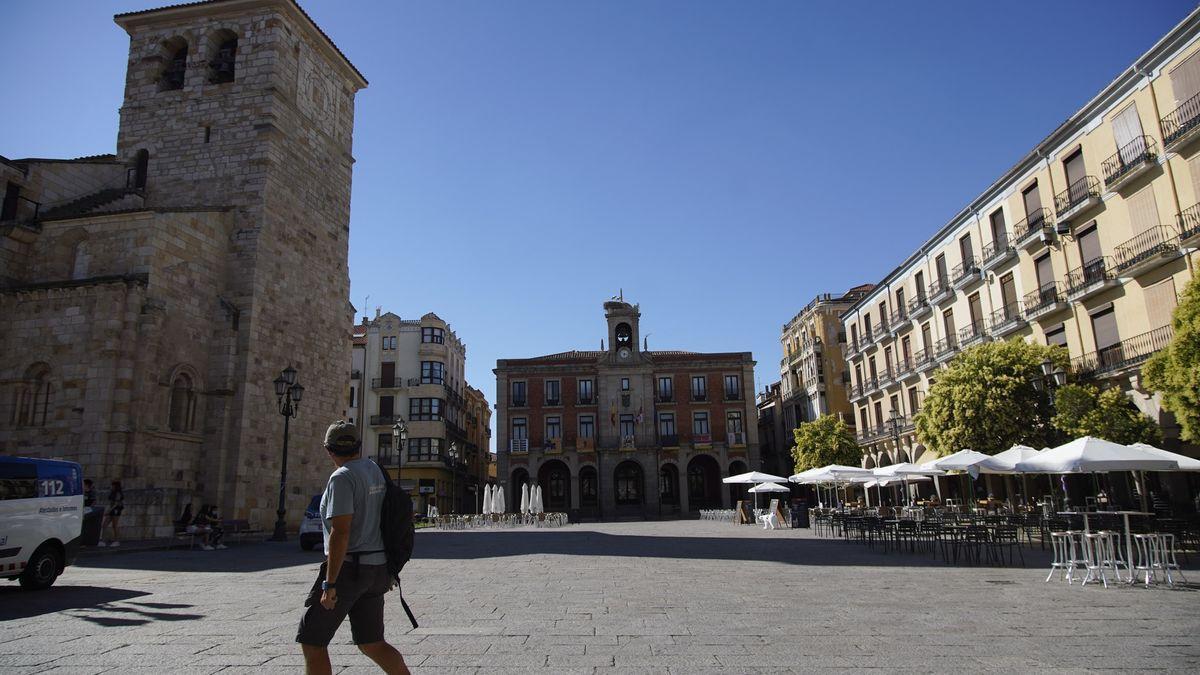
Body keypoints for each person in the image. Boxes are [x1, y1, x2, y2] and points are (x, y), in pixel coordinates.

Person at [296, 420, 409, 675]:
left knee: (312, 640)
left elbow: (341, 532)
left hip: (349, 570)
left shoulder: (342, 477)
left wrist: (330, 584)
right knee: (372, 642)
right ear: (359, 446)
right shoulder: (376, 470)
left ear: (328, 450)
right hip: (378, 569)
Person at [98, 480, 124, 547]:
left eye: (112, 485)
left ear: (115, 486)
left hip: (116, 510)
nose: (111, 486)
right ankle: (103, 541)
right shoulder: (112, 493)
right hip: (112, 510)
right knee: (104, 525)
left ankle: (116, 541)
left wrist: (108, 511)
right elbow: (111, 503)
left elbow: (116, 503)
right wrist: (108, 510)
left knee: (114, 525)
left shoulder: (118, 493)